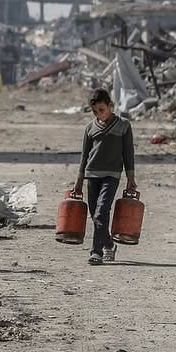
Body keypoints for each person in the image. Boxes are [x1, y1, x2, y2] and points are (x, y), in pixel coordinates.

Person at [73, 87, 137, 266]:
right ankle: (109, 243)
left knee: (101, 212)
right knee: (95, 215)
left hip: (112, 175)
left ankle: (96, 251)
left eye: (101, 110)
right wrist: (78, 182)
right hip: (91, 176)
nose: (98, 114)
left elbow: (128, 154)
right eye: (94, 111)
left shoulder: (124, 126)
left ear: (110, 106)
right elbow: (84, 157)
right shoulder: (90, 128)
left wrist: (130, 177)